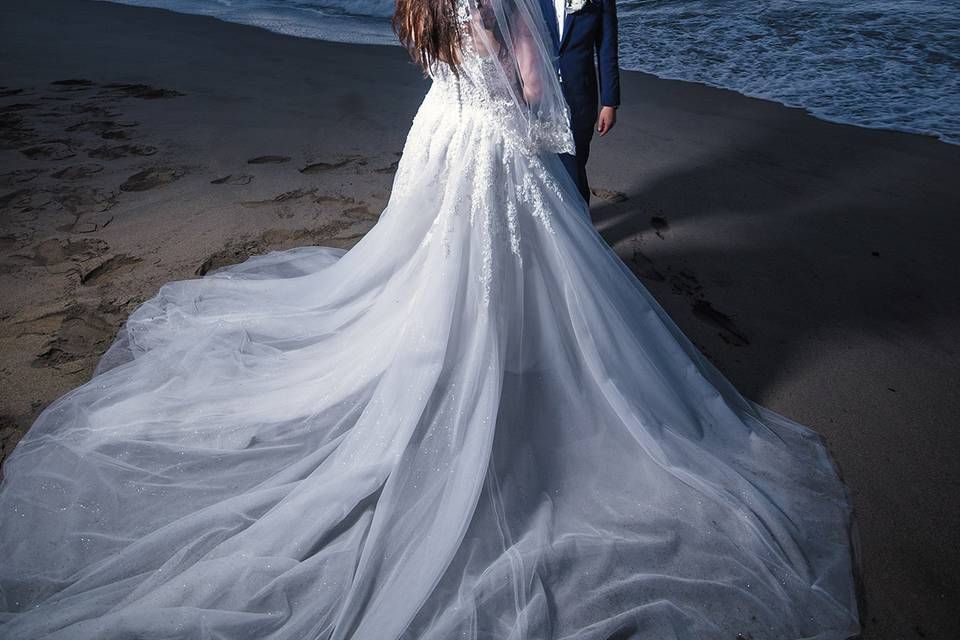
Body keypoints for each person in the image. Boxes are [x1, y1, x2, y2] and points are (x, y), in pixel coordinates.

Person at [0, 0, 860, 638]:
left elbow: (450, 64)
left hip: (441, 135)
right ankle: (509, 369)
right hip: (495, 150)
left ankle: (442, 355)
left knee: (431, 262)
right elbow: (530, 87)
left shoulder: (426, 2)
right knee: (520, 268)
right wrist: (534, 114)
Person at [539, 0, 620, 204]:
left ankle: (581, 225)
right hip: (538, 94)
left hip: (580, 94)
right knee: (543, 166)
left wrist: (610, 102)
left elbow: (607, 47)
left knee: (575, 164)